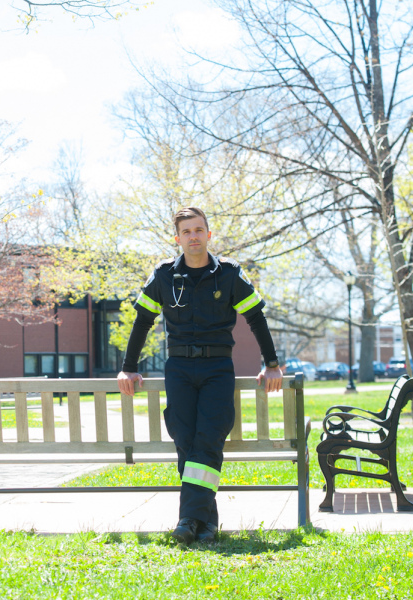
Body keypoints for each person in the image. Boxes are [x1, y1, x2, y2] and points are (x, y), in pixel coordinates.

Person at [117, 207, 283, 545]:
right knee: (186, 441)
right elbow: (142, 322)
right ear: (177, 238)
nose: (193, 236)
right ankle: (205, 523)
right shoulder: (163, 275)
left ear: (209, 234)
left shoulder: (231, 275)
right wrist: (129, 366)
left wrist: (272, 363)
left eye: (198, 230)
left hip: (217, 369)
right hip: (178, 368)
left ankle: (188, 519)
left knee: (207, 438)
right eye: (187, 232)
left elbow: (256, 318)